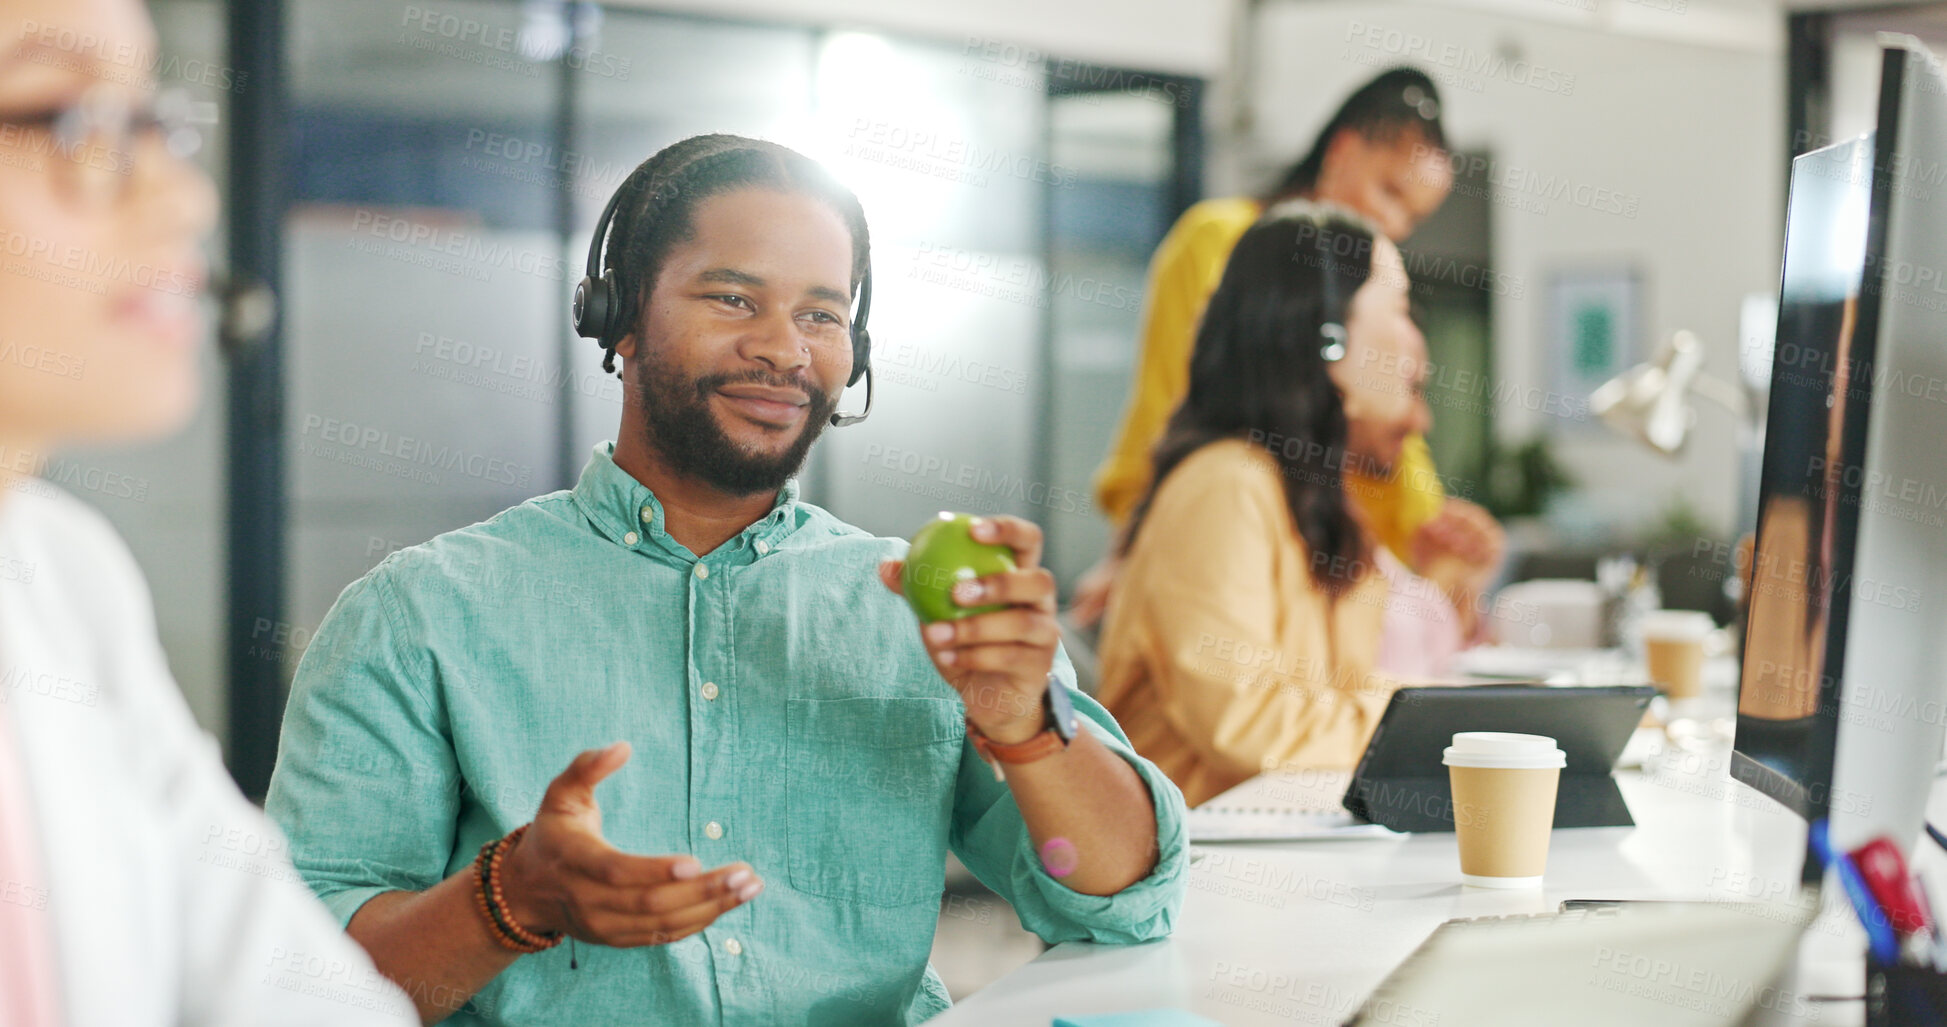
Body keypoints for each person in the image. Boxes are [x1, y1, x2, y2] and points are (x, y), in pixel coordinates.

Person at [264, 133, 1188, 1026]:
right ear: (619, 315)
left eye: (821, 313)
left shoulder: (909, 606)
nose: (785, 350)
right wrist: (511, 897)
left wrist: (1025, 725)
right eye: (734, 299)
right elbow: (303, 989)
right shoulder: (419, 614)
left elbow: (1118, 902)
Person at [0, 0, 416, 1023]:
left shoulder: (64, 577)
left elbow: (294, 991)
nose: (186, 197)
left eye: (150, 116)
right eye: (67, 117)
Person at [1094, 203, 1494, 808]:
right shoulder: (1225, 484)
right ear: (1328, 339)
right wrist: (1443, 726)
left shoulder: (1313, 498)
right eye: (1402, 308)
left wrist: (1455, 717)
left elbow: (1343, 692)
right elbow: (1248, 723)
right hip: (1208, 875)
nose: (1420, 345)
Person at [1072, 66, 1501, 626]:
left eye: (1413, 217)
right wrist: (1131, 552)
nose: (1392, 224)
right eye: (1389, 191)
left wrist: (1435, 530)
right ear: (1342, 151)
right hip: (1228, 554)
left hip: (1334, 570)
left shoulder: (1368, 279)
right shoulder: (1224, 240)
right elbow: (1173, 404)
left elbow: (1389, 428)